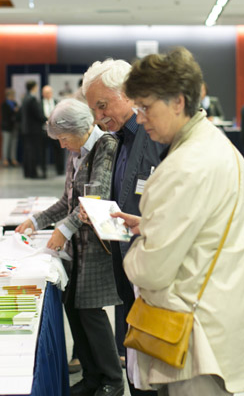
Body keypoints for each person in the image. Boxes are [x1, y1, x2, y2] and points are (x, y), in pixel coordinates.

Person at [113, 47, 244, 395]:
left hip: (192, 336)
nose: (139, 118)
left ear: (178, 102)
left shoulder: (184, 166)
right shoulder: (214, 145)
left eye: (146, 107)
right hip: (217, 316)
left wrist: (136, 247)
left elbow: (150, 270)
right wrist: (151, 223)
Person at [14, 99, 124, 396]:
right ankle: (91, 377)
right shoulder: (76, 153)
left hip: (98, 245)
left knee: (90, 311)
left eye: (63, 139)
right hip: (78, 248)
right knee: (75, 309)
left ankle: (112, 381)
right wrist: (36, 221)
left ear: (78, 130)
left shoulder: (105, 146)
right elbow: (68, 201)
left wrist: (64, 229)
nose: (62, 146)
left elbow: (96, 197)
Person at [82, 58, 165, 396]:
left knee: (152, 369)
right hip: (124, 269)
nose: (99, 117)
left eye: (103, 105)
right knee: (132, 362)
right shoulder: (115, 140)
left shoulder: (156, 136)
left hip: (153, 273)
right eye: (94, 110)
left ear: (128, 94)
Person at [20, 80, 46, 178]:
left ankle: (27, 172)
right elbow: (38, 115)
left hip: (25, 129)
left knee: (27, 152)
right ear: (34, 87)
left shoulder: (25, 98)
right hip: (33, 130)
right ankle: (33, 173)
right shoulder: (32, 99)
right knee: (33, 152)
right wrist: (48, 119)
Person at [41, 85, 65, 175]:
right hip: (44, 131)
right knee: (43, 152)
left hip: (56, 131)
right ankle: (43, 170)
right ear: (43, 94)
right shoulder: (40, 103)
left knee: (59, 151)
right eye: (45, 93)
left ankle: (60, 170)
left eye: (49, 92)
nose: (47, 94)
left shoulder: (56, 102)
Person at [0, 88, 20, 167]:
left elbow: (18, 114)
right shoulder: (4, 104)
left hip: (14, 126)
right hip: (6, 127)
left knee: (13, 143)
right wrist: (13, 111)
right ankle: (5, 159)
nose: (13, 96)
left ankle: (13, 159)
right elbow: (5, 115)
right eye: (12, 95)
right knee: (6, 143)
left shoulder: (15, 103)